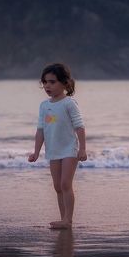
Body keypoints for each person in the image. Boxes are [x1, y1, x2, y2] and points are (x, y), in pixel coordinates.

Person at [28, 63, 87, 229]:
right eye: (45, 82)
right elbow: (40, 130)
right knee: (57, 186)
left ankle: (68, 220)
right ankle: (63, 219)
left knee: (65, 184)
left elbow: (80, 127)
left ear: (65, 83)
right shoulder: (44, 106)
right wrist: (36, 152)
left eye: (52, 82)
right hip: (53, 150)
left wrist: (82, 148)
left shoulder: (69, 103)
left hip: (69, 149)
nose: (47, 85)